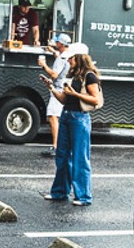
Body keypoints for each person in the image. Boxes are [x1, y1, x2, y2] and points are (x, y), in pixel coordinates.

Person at [41, 43, 100, 206]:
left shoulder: (90, 76)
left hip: (80, 118)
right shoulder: (73, 75)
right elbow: (64, 100)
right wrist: (52, 88)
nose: (69, 62)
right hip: (66, 115)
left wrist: (75, 93)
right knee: (62, 155)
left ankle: (83, 196)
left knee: (80, 158)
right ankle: (59, 192)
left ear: (79, 58)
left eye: (71, 58)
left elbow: (96, 100)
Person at [36, 33, 72, 157]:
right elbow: (60, 58)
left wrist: (44, 65)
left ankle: (56, 146)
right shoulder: (67, 55)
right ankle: (63, 145)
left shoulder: (61, 58)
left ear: (61, 44)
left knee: (52, 116)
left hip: (58, 90)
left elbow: (55, 75)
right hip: (65, 89)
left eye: (57, 42)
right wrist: (53, 51)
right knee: (61, 118)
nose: (55, 43)